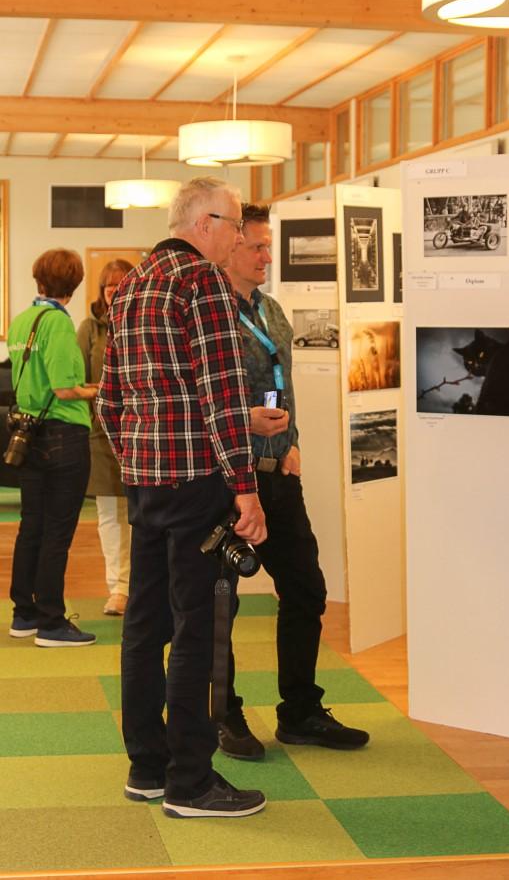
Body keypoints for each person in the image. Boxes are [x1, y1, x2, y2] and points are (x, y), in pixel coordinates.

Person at [96, 177, 267, 820]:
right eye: (234, 223)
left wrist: (137, 457)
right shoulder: (203, 284)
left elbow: (112, 397)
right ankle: (190, 781)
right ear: (203, 222)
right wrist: (245, 486)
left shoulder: (134, 284)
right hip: (197, 483)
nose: (238, 237)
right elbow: (221, 395)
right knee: (197, 625)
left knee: (144, 623)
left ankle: (147, 766)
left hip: (147, 480)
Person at [219, 203, 369, 760]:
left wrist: (292, 440)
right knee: (220, 603)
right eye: (256, 245)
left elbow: (282, 387)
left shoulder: (272, 310)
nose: (265, 256)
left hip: (278, 477)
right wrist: (246, 426)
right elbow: (201, 397)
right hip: (225, 481)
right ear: (229, 245)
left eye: (267, 246)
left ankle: (300, 711)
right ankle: (224, 714)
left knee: (306, 589)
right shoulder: (210, 310)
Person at [7, 248, 97, 647]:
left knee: (32, 527)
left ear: (38, 278)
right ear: (75, 285)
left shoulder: (21, 320)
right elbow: (64, 389)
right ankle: (52, 621)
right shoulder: (59, 325)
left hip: (28, 434)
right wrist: (98, 389)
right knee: (57, 532)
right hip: (64, 437)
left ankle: (23, 614)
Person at [77, 259, 134, 617]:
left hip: (141, 432)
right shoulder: (89, 329)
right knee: (111, 516)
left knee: (141, 515)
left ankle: (140, 586)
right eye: (108, 286)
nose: (114, 291)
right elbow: (77, 382)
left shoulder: (143, 318)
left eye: (120, 284)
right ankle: (118, 588)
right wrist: (104, 392)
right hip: (101, 434)